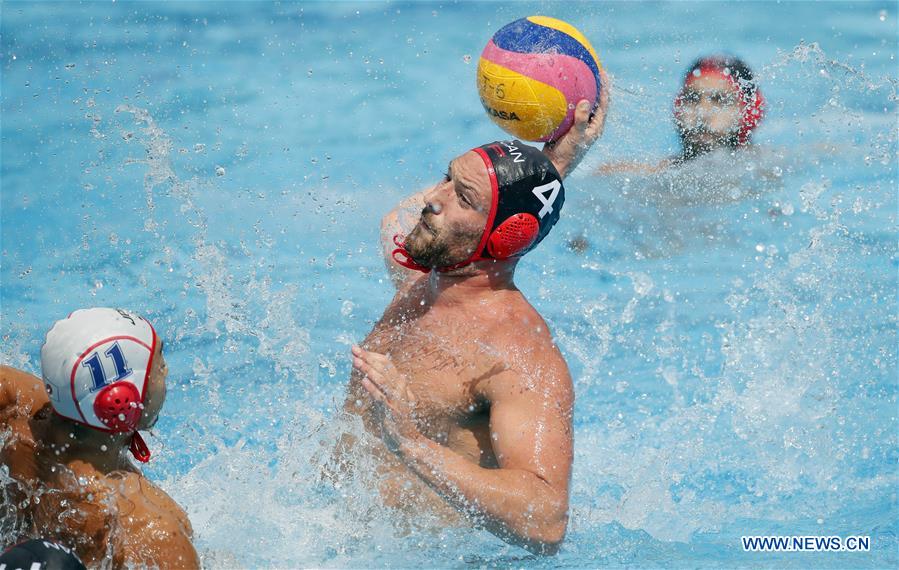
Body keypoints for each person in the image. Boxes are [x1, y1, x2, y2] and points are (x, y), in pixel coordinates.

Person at [336, 73, 609, 555]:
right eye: (446, 177)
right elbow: (393, 222)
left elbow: (545, 521)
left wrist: (410, 442)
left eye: (461, 197)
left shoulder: (518, 356)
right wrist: (557, 162)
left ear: (503, 237)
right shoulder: (427, 281)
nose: (430, 199)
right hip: (339, 531)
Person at [0, 308, 199, 569]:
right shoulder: (151, 532)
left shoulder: (15, 416)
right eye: (159, 364)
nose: (166, 371)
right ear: (121, 399)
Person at [597, 54, 764, 175]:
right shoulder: (649, 173)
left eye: (719, 100)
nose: (702, 113)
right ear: (677, 107)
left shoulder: (768, 169)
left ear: (749, 113)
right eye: (692, 99)